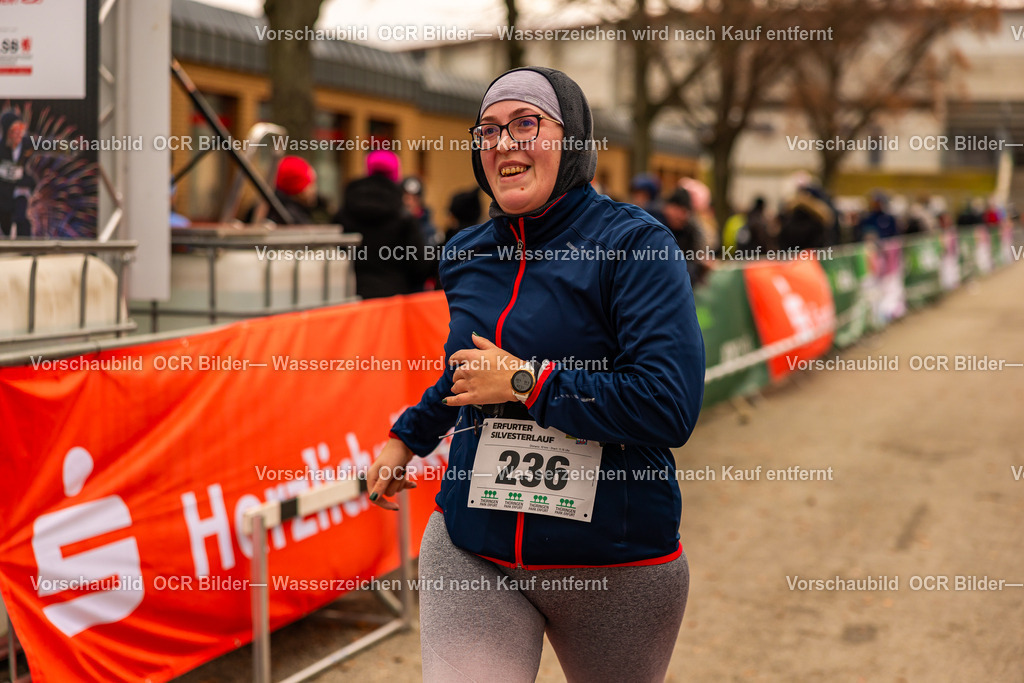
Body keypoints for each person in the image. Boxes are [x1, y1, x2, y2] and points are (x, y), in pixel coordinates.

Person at [366, 67, 705, 682]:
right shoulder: (467, 252)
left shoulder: (635, 246)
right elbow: (466, 371)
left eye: (527, 124)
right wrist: (408, 436)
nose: (504, 143)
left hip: (612, 562)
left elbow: (668, 404)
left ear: (571, 140)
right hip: (475, 544)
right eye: (489, 130)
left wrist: (528, 383)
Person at [336, 150, 432, 298]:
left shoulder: (345, 211)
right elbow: (419, 265)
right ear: (396, 174)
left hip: (351, 296)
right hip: (394, 298)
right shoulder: (403, 216)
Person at [663, 187, 710, 288]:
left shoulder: (691, 230)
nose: (679, 215)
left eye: (684, 211)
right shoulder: (656, 227)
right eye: (676, 209)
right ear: (667, 207)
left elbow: (697, 254)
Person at [0, 111, 33, 237]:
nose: (18, 133)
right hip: (4, 194)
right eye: (15, 130)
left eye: (21, 129)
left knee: (21, 218)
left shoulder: (26, 143)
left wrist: (67, 147)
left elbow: (46, 144)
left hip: (20, 189)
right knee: (6, 223)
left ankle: (26, 248)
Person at [402, 175, 440, 247]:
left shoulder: (430, 231)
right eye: (406, 198)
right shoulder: (394, 226)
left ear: (420, 201)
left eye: (414, 199)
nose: (409, 203)